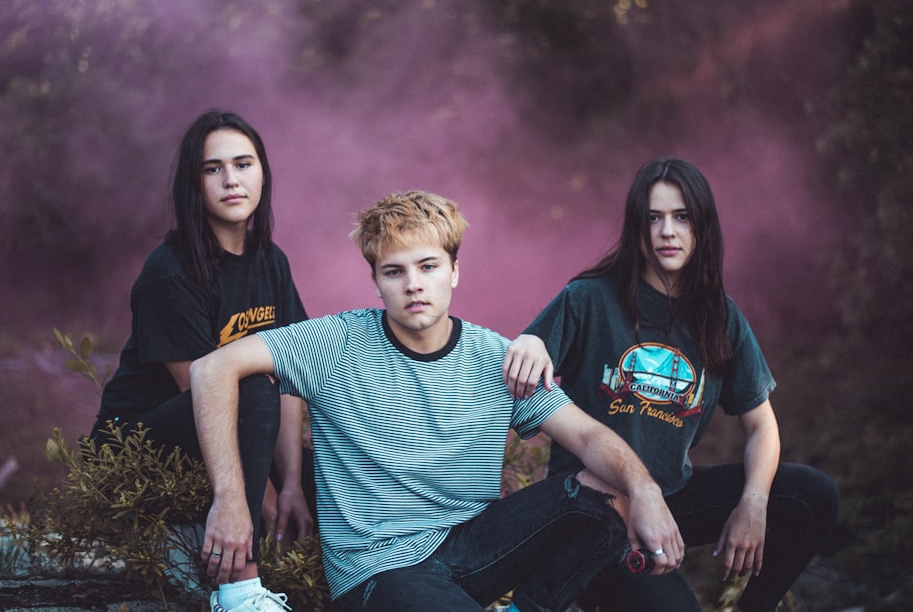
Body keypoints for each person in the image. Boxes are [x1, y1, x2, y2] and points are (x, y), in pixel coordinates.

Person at [188, 190, 684, 612]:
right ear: (377, 282)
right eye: (394, 272)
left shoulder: (494, 355)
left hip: (475, 548)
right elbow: (211, 368)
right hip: (381, 570)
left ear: (454, 271)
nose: (413, 285)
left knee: (610, 486)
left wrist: (647, 490)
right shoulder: (335, 344)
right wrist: (232, 503)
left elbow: (589, 434)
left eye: (428, 266)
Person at [503, 157, 840, 612]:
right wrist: (529, 342)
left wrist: (753, 505)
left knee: (810, 494)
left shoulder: (719, 318)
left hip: (671, 495)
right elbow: (521, 360)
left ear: (702, 227)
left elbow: (762, 426)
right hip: (592, 509)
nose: (667, 232)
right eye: (653, 218)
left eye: (681, 217)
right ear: (636, 228)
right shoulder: (588, 298)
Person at [89, 110, 312, 612]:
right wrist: (259, 511)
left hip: (228, 427)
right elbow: (213, 397)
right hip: (138, 443)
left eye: (243, 163)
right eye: (213, 168)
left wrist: (294, 486)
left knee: (330, 460)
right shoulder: (171, 273)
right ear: (194, 184)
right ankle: (240, 593)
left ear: (263, 173)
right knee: (247, 385)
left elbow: (291, 378)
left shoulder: (270, 261)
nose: (231, 179)